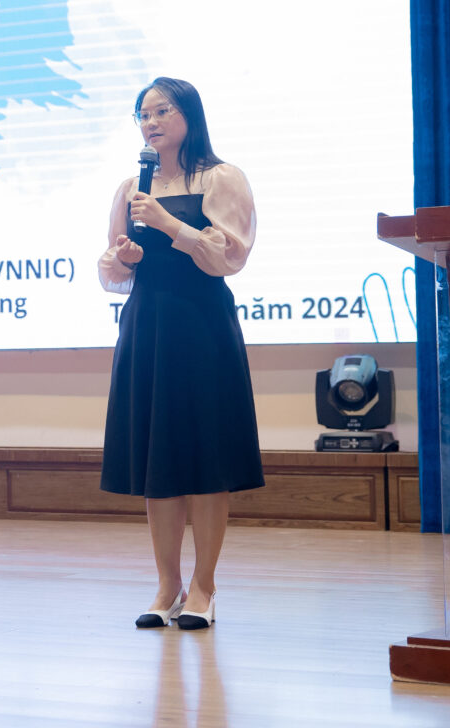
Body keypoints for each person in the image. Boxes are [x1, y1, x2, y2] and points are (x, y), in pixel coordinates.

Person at [98, 76, 263, 631]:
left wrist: (169, 224)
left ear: (189, 114)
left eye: (161, 111)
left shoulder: (221, 178)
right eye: (143, 114)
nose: (150, 123)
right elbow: (112, 270)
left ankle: (204, 587)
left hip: (201, 327)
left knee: (205, 460)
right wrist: (124, 256)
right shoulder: (130, 188)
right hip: (147, 327)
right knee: (159, 461)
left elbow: (228, 256)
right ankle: (167, 586)